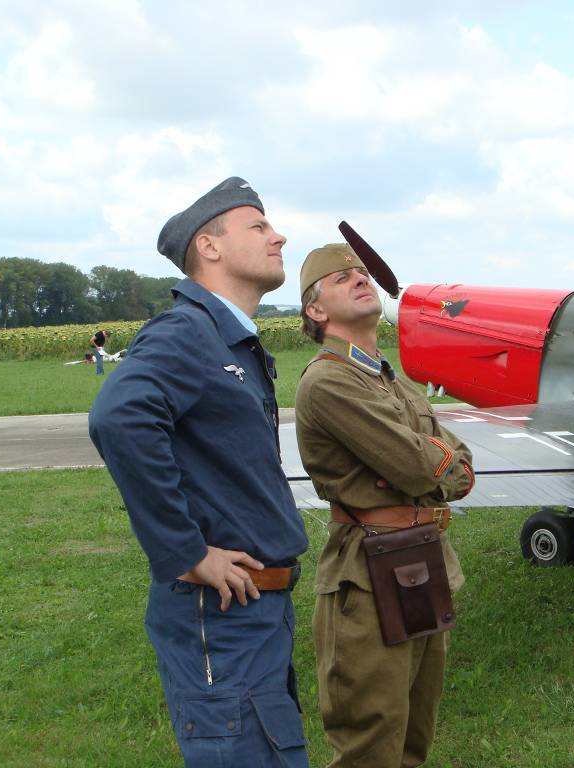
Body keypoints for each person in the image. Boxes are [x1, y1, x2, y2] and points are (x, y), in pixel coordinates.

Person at [88, 177, 309, 767]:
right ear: (209, 247)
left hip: (256, 610)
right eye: (259, 226)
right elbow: (120, 417)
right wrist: (185, 551)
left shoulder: (230, 339)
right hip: (222, 612)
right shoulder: (188, 331)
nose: (278, 237)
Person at [294, 243, 475, 768]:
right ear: (316, 310)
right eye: (341, 277)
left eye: (361, 272)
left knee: (414, 738)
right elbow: (421, 466)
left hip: (421, 556)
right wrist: (433, 460)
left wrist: (434, 460)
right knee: (371, 746)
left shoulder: (383, 376)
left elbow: (457, 464)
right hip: (369, 573)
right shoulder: (329, 380)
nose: (360, 278)